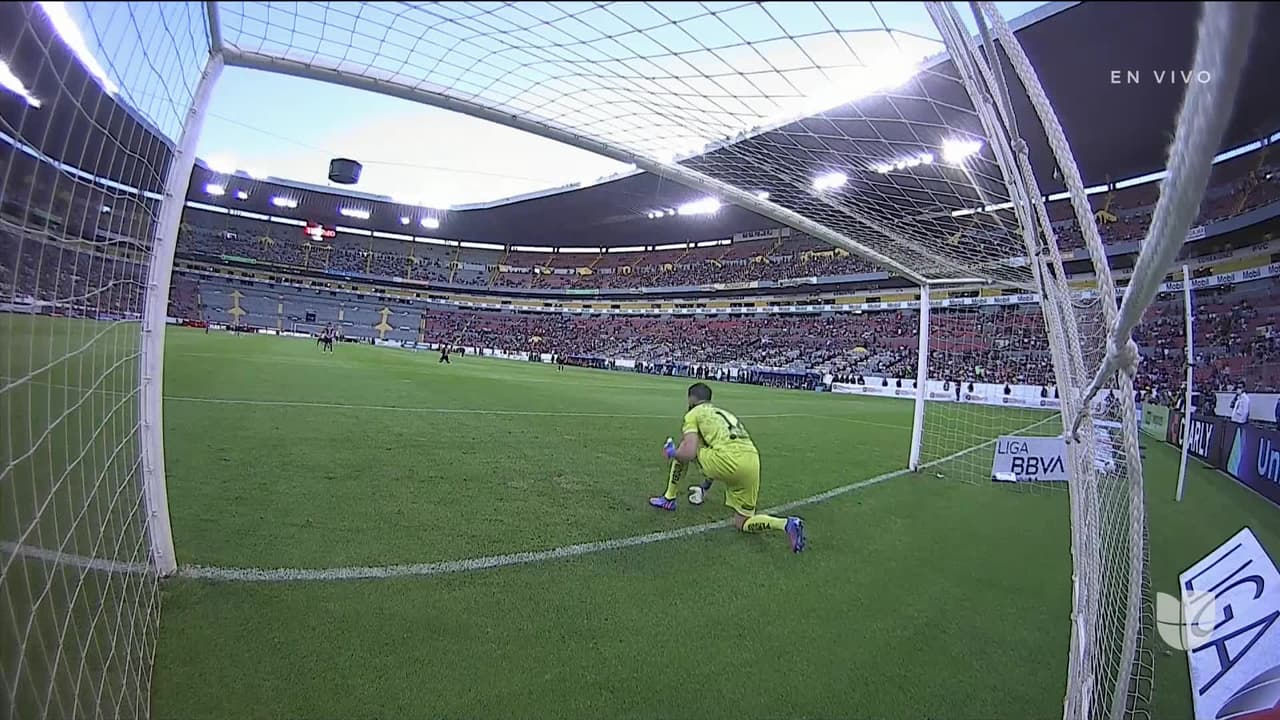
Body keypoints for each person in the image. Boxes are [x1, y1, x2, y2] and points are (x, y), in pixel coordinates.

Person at [650, 382, 806, 553]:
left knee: (683, 449)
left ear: (691, 399)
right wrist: (705, 487)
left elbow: (689, 452)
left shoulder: (693, 414)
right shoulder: (724, 414)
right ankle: (786, 524)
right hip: (752, 462)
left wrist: (671, 452)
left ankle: (669, 498)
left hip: (726, 460)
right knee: (743, 522)